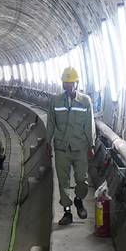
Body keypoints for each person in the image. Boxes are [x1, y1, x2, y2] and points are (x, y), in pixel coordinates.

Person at [45, 67, 95, 226]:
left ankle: (79, 199)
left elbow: (89, 124)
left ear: (76, 82)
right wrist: (48, 142)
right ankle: (67, 212)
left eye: (71, 82)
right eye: (66, 82)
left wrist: (91, 145)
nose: (68, 85)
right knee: (63, 181)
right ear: (62, 83)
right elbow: (51, 122)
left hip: (80, 147)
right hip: (61, 147)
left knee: (81, 179)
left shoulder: (85, 101)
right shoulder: (56, 100)